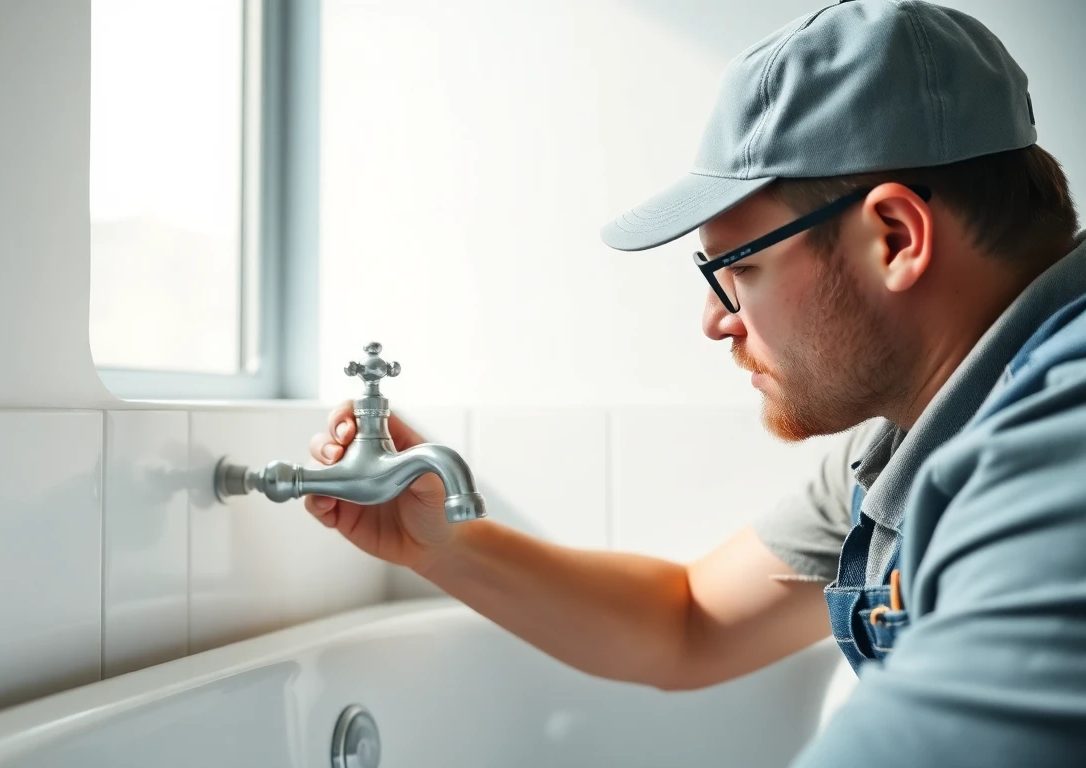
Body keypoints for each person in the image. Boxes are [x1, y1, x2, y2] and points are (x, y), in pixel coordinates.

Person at [305, 1, 1086, 764]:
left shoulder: (1057, 455)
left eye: (739, 269)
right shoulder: (917, 437)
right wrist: (442, 542)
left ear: (894, 237)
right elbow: (691, 621)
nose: (717, 323)